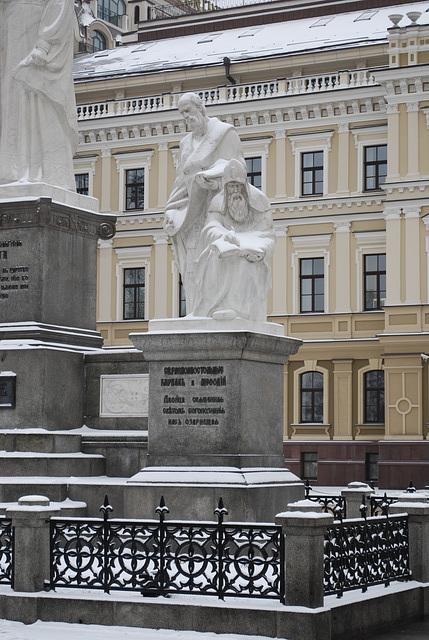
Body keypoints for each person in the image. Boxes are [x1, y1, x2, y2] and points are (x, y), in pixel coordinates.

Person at [164, 92, 245, 311]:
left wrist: (214, 176)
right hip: (192, 216)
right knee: (192, 270)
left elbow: (237, 170)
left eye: (188, 112)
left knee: (217, 264)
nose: (186, 118)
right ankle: (195, 313)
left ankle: (219, 310)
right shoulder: (186, 144)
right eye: (182, 114)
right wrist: (171, 211)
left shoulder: (225, 133)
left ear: (201, 108)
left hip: (219, 213)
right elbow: (180, 182)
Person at [0, 0, 78, 191]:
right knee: (12, 102)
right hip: (10, 33)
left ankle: (45, 171)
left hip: (35, 31)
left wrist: (44, 44)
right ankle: (13, 170)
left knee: (38, 98)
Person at [192, 159, 276, 322]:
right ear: (225, 186)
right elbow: (210, 227)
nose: (235, 191)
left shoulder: (260, 201)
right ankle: (215, 307)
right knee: (214, 257)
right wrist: (223, 235)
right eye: (231, 186)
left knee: (243, 264)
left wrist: (260, 251)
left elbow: (268, 235)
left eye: (238, 186)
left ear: (245, 185)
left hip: (253, 254)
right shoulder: (218, 202)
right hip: (225, 247)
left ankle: (240, 311)